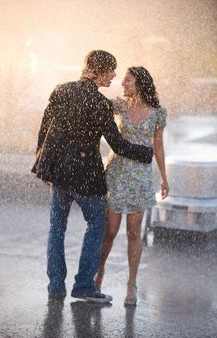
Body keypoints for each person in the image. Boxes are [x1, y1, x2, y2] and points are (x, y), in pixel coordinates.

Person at [32, 51, 153, 303]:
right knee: (97, 226)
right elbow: (118, 145)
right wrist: (146, 153)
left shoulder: (61, 90)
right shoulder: (99, 104)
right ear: (100, 70)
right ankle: (84, 286)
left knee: (56, 230)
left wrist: (43, 164)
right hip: (86, 177)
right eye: (112, 71)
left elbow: (44, 129)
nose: (114, 76)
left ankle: (56, 286)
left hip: (60, 176)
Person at [94, 66, 169, 306]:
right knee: (110, 232)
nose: (123, 83)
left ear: (139, 83)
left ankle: (131, 284)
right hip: (117, 175)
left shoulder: (158, 112)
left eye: (127, 80)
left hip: (140, 178)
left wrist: (164, 178)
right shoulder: (118, 105)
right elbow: (95, 104)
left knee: (134, 232)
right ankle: (99, 273)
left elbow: (158, 146)